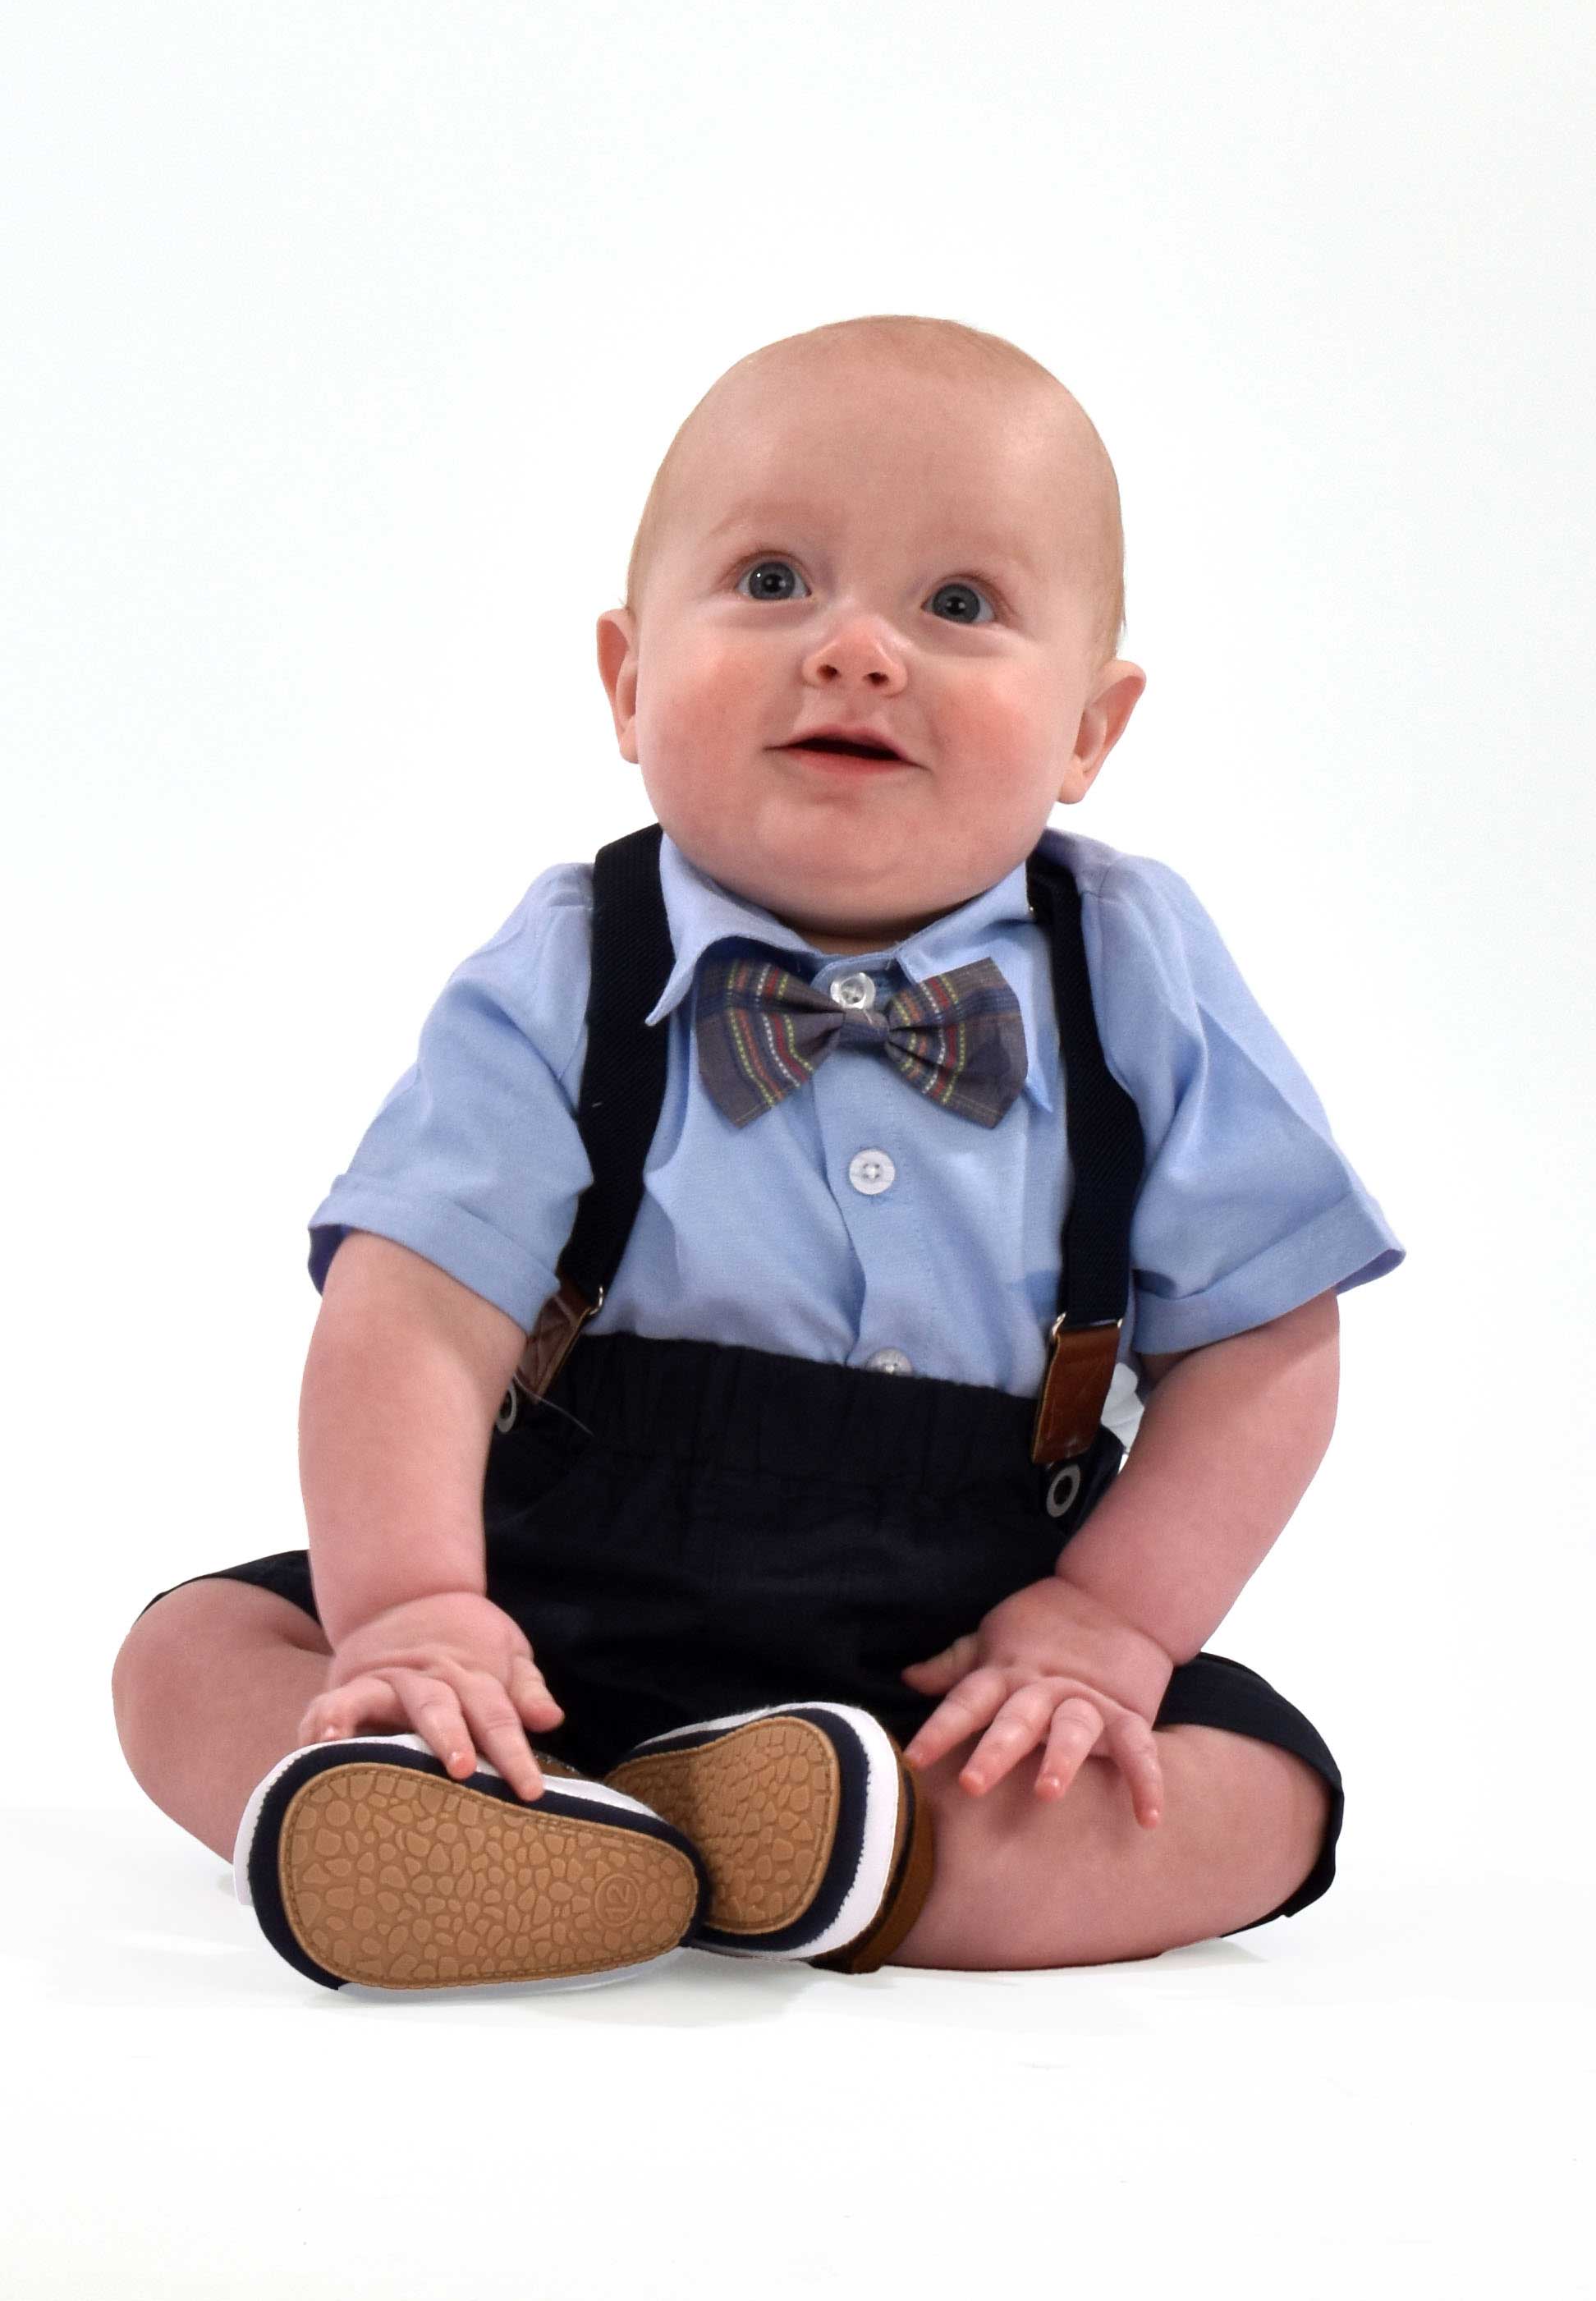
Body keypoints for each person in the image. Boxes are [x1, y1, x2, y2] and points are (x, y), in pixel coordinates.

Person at [111, 314, 1404, 1994]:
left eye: (960, 606)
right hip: (553, 1614)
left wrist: (1114, 1623)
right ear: (629, 682)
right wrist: (414, 1610)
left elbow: (1264, 1336)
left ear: (1092, 730)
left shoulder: (1136, 970)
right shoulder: (574, 958)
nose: (859, 649)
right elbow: (414, 1310)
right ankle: (476, 1800)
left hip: (956, 1662)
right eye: (776, 581)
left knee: (1266, 1795)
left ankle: (828, 1849)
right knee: (192, 1651)